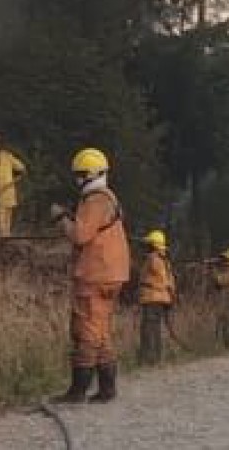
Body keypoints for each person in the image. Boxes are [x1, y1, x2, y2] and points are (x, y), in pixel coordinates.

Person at [51, 146, 128, 404]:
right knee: (101, 331)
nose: (76, 180)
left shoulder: (95, 199)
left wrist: (61, 218)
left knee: (85, 330)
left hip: (96, 274)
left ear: (88, 174)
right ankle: (107, 389)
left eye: (79, 175)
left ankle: (77, 391)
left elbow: (80, 235)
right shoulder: (109, 198)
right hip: (112, 273)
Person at [137, 228, 176, 364]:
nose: (145, 247)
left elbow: (155, 272)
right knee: (156, 330)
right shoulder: (164, 260)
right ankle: (157, 359)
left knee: (148, 330)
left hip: (152, 298)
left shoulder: (153, 259)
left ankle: (148, 360)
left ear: (153, 245)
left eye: (148, 244)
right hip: (161, 298)